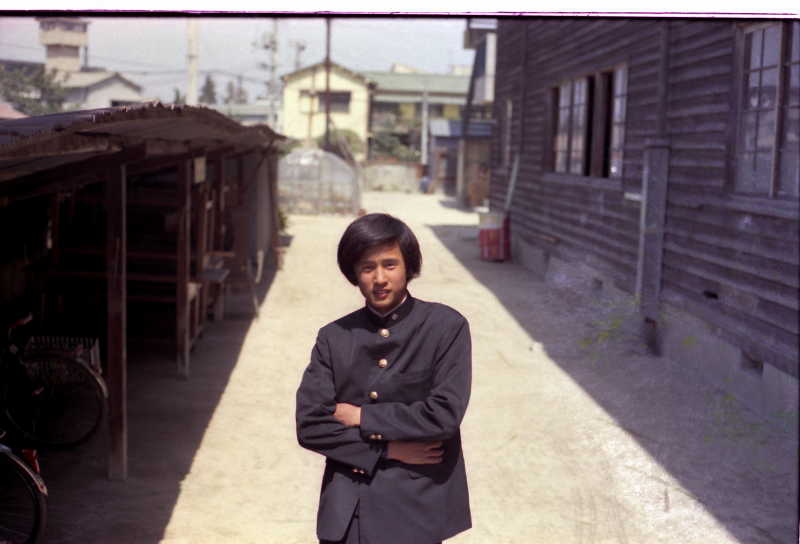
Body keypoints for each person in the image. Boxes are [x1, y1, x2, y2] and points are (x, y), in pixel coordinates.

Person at [295, 213, 472, 544]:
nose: (379, 278)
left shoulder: (445, 327)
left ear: (408, 266)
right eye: (367, 267)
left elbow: (444, 416)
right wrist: (388, 449)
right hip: (350, 511)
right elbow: (310, 425)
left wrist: (362, 416)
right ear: (354, 273)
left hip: (415, 509)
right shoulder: (334, 337)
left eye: (390, 265)